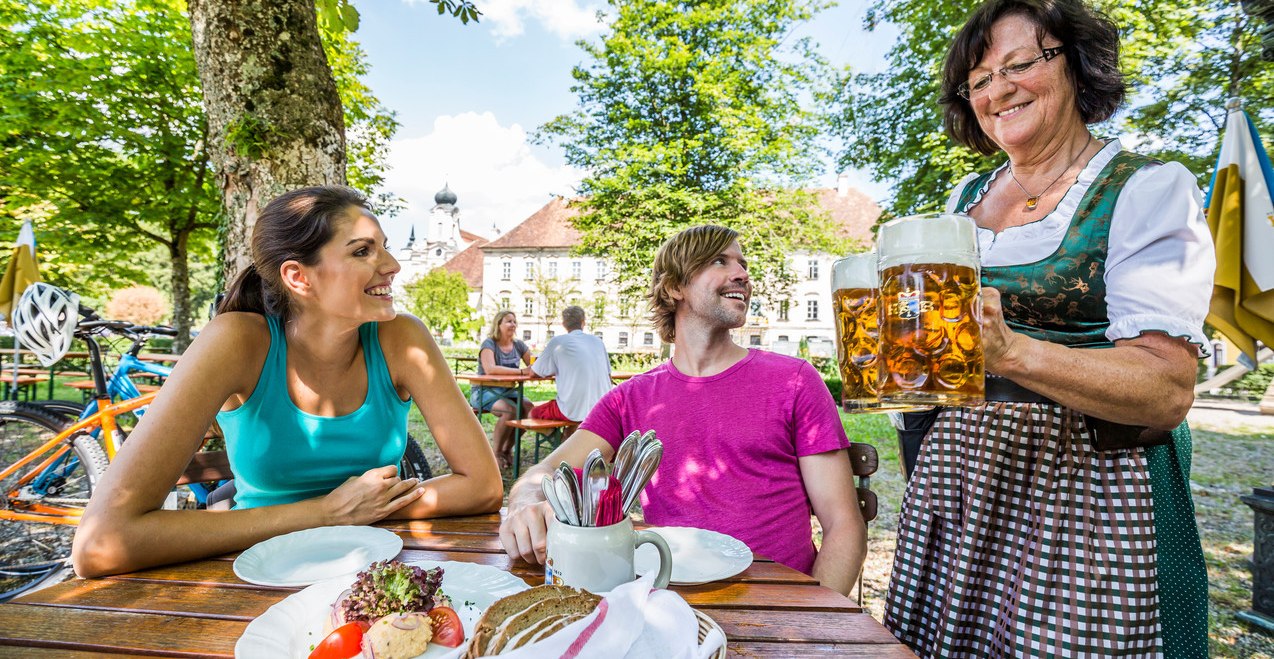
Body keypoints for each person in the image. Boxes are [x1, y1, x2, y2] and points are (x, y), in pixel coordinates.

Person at [883, 1, 1213, 656]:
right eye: (977, 79)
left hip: (1084, 505)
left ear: (1077, 65)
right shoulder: (959, 205)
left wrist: (1012, 352)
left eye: (1019, 64)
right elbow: (928, 368)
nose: (997, 89)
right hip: (959, 498)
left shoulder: (1143, 189)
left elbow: (1166, 389)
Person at [71, 186, 503, 577]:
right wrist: (327, 513)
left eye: (385, 248)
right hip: (256, 568)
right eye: (362, 252)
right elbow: (100, 545)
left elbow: (482, 486)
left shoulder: (402, 337)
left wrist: (356, 514)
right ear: (299, 277)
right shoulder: (236, 341)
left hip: (374, 565)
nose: (391, 266)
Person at [500, 225, 866, 595]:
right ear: (675, 287)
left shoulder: (795, 381)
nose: (742, 274)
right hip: (666, 600)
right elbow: (546, 472)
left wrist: (812, 621)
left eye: (742, 263)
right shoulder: (630, 398)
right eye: (720, 261)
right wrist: (524, 503)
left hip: (778, 603)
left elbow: (844, 526)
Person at [471, 310, 535, 469]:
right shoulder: (489, 344)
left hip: (508, 391)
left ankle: (507, 449)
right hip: (484, 391)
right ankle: (496, 453)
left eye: (514, 321)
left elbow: (533, 365)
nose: (512, 324)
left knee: (529, 408)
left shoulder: (519, 345)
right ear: (498, 325)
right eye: (508, 321)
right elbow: (490, 369)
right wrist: (521, 372)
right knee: (510, 410)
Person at [527, 305, 612, 427]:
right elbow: (608, 376)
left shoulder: (558, 342)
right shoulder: (597, 341)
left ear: (564, 324)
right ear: (583, 322)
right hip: (603, 408)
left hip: (572, 410)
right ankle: (569, 439)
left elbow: (533, 373)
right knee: (576, 418)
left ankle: (560, 442)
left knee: (532, 414)